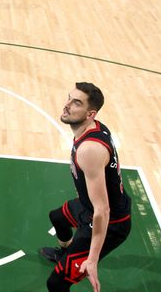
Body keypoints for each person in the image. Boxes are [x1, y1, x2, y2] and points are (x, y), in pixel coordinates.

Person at [39, 83, 132, 292]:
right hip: (90, 207)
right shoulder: (93, 127)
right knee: (57, 217)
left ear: (90, 114)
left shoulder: (89, 149)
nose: (67, 105)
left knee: (55, 284)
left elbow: (103, 210)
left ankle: (71, 260)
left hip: (111, 224)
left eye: (76, 103)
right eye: (69, 98)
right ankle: (65, 254)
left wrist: (92, 258)